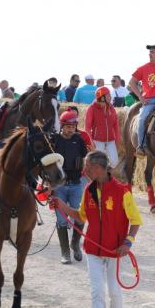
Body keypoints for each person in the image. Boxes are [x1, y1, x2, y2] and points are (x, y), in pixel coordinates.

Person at [50, 150, 142, 308]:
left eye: (87, 167)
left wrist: (127, 243)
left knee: (114, 291)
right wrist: (60, 205)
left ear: (98, 168)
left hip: (114, 251)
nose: (84, 171)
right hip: (93, 250)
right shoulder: (89, 190)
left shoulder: (122, 192)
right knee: (97, 291)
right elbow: (81, 216)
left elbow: (136, 221)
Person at [48, 110, 89, 264]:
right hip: (59, 186)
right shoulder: (54, 140)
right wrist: (49, 185)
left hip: (77, 184)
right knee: (61, 219)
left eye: (73, 126)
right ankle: (65, 253)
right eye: (68, 126)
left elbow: (85, 159)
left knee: (80, 215)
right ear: (62, 126)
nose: (71, 129)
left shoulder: (79, 140)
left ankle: (75, 245)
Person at [85, 87, 123, 168]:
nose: (110, 97)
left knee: (114, 162)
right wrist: (91, 141)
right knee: (98, 163)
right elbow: (87, 127)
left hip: (110, 140)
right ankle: (100, 178)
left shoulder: (111, 107)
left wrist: (117, 139)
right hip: (97, 141)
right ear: (102, 97)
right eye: (108, 95)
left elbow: (115, 125)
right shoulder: (91, 108)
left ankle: (106, 173)